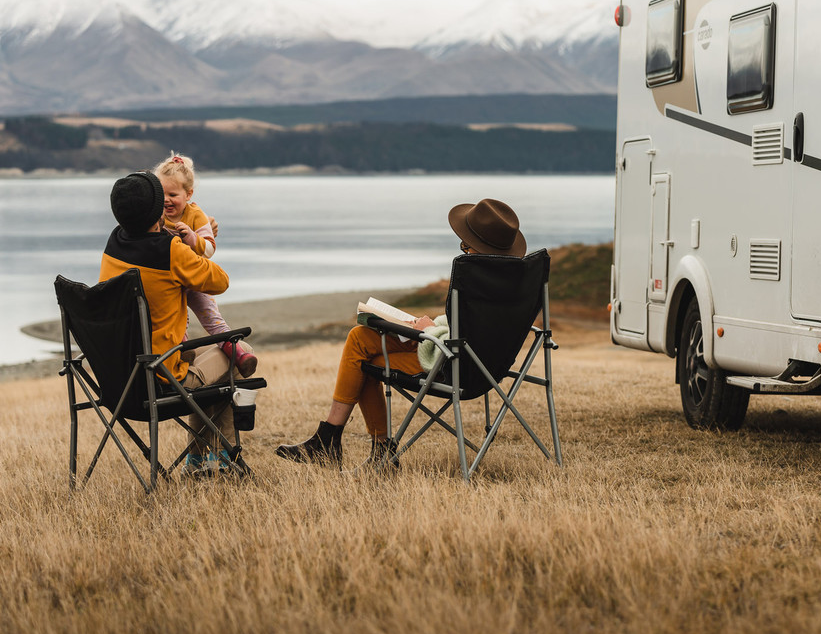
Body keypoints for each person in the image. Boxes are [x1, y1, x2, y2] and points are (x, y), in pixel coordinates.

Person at [275, 198, 527, 471]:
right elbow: (475, 331)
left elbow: (462, 338)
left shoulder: (477, 281)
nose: (463, 250)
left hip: (451, 365)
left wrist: (429, 330)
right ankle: (329, 439)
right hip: (481, 365)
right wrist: (430, 327)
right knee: (360, 337)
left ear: (477, 248)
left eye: (465, 245)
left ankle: (366, 449)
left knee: (363, 364)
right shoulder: (516, 282)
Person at [100, 170, 239, 474]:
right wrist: (195, 243)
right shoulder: (170, 252)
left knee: (207, 357)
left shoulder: (114, 242)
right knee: (235, 354)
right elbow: (220, 281)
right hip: (160, 377)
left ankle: (199, 458)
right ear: (155, 211)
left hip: (118, 381)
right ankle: (222, 459)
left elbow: (142, 228)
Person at [154, 152, 258, 376]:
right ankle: (180, 354)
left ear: (188, 194)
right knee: (177, 320)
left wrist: (192, 237)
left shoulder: (196, 214)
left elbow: (209, 249)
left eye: (173, 194)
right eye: (161, 194)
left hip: (194, 278)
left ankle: (237, 352)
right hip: (169, 280)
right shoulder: (155, 216)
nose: (166, 200)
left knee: (211, 316)